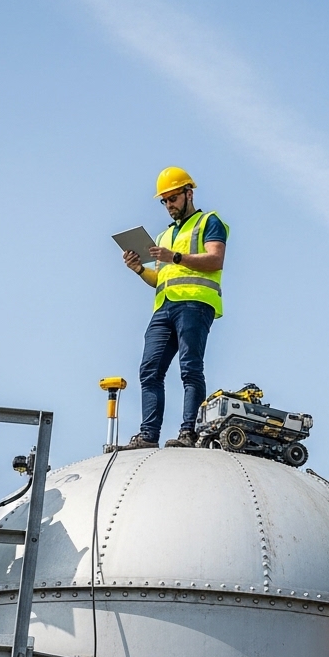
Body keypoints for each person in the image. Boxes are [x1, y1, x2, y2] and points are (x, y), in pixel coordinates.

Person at [118, 166, 228, 450]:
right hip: (164, 307)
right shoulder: (163, 236)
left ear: (188, 194)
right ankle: (148, 435)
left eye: (173, 198)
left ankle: (188, 433)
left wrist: (175, 256)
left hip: (195, 304)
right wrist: (139, 269)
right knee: (149, 370)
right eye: (164, 201)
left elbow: (215, 260)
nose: (169, 205)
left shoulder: (209, 221)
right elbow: (159, 278)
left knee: (190, 369)